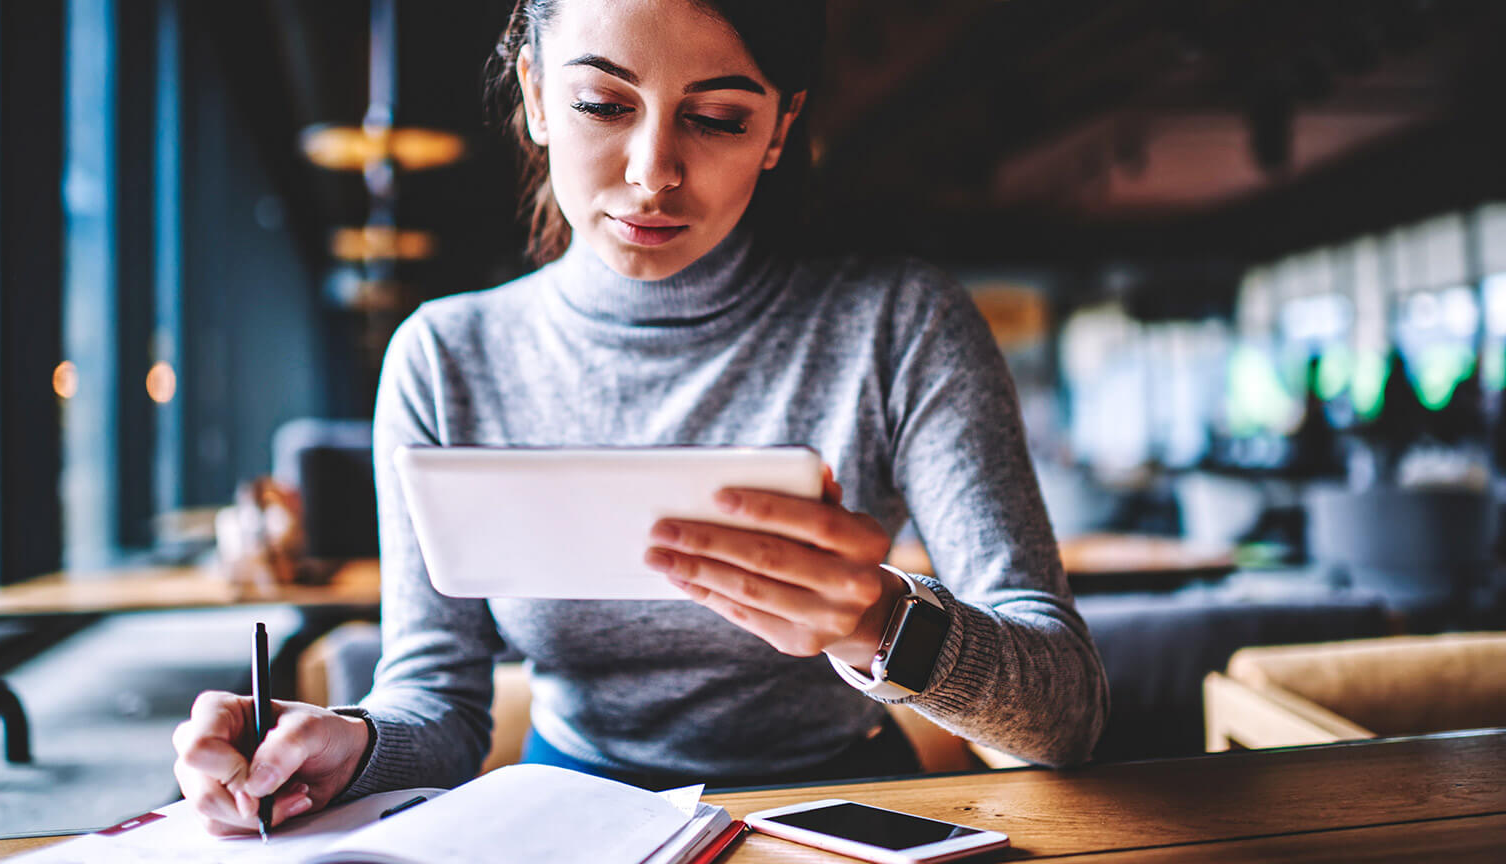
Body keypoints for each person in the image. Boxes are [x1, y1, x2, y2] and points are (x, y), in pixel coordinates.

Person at [173, 0, 1109, 835]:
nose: (654, 171)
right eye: (603, 105)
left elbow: (1065, 712)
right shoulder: (448, 358)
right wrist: (349, 746)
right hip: (567, 820)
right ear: (536, 93)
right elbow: (438, 701)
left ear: (780, 128)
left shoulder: (898, 326)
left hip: (843, 815)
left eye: (716, 118)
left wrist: (881, 622)